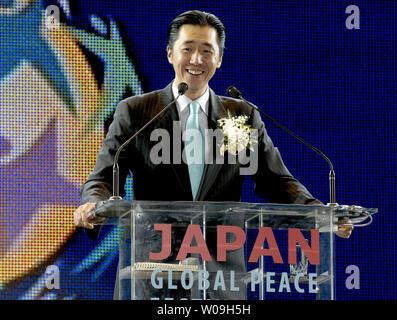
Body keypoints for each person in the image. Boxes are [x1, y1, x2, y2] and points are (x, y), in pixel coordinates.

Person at [74, 10, 353, 299]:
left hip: (221, 277)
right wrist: (93, 204)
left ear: (218, 59)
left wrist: (320, 214)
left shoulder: (241, 116)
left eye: (207, 51)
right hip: (152, 273)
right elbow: (104, 177)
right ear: (170, 53)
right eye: (188, 49)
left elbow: (277, 182)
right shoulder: (136, 112)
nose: (196, 60)